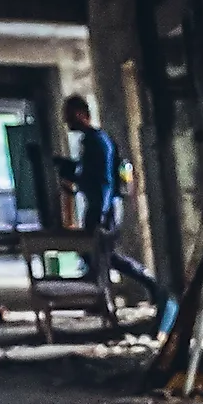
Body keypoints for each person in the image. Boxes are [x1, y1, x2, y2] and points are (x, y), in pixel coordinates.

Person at [56, 96, 158, 300]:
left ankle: (147, 280)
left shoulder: (98, 141)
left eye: (69, 115)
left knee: (102, 254)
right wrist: (69, 169)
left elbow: (105, 181)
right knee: (95, 254)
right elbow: (88, 175)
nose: (66, 121)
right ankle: (101, 299)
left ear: (80, 114)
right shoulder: (90, 142)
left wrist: (101, 213)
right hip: (97, 205)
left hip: (104, 207)